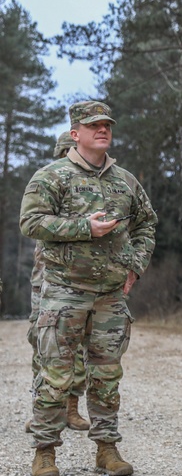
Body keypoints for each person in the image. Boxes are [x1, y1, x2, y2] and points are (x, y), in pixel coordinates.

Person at [20, 100, 157, 476]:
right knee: (55, 376)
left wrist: (136, 265)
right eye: (93, 125)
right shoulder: (53, 176)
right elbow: (30, 221)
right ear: (75, 133)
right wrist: (83, 227)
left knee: (107, 374)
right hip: (65, 291)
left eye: (107, 124)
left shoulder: (125, 180)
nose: (102, 130)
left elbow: (147, 224)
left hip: (111, 296)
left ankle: (106, 448)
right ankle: (45, 451)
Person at [25, 131, 90, 434]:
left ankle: (72, 408)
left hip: (79, 279)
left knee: (77, 347)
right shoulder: (49, 184)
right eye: (63, 152)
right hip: (45, 277)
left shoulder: (90, 189)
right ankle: (42, 408)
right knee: (42, 342)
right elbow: (34, 223)